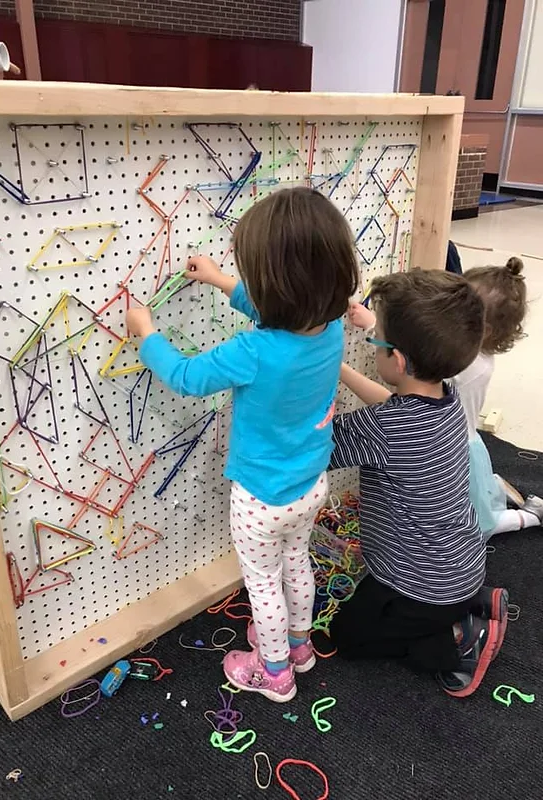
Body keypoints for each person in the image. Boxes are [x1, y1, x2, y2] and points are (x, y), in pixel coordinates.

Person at [126, 187, 359, 702]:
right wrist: (219, 280)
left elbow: (187, 376)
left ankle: (273, 672)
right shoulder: (331, 329)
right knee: (296, 562)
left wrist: (146, 334)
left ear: (272, 287)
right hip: (310, 484)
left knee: (263, 584)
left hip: (261, 497)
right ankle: (299, 646)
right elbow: (280, 309)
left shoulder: (253, 350)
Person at [329, 270, 508, 697]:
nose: (371, 342)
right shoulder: (447, 398)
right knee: (376, 616)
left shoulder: (383, 429)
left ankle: (461, 640)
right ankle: (470, 603)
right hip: (457, 567)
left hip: (420, 587)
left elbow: (316, 449)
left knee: (346, 638)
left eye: (375, 340)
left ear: (398, 360)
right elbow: (396, 407)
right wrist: (338, 369)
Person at [453, 257, 543, 538]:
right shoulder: (473, 353)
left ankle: (528, 516)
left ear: (484, 329)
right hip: (463, 443)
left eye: (456, 308)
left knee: (478, 525)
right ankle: (493, 489)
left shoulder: (467, 364)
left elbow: (418, 369)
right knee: (475, 499)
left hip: (458, 453)